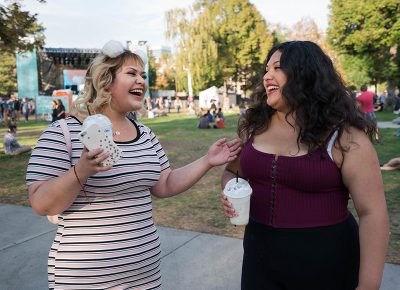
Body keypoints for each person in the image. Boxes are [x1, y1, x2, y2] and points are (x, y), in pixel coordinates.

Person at [26, 40, 241, 290]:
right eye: (131, 73)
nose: (141, 80)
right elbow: (41, 203)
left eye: (143, 75)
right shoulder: (63, 131)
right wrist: (81, 171)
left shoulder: (145, 134)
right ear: (106, 80)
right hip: (83, 279)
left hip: (145, 277)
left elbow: (165, 183)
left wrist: (207, 161)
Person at [220, 41, 389, 290]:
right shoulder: (253, 128)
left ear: (306, 74)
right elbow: (232, 173)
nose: (267, 75)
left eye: (277, 68)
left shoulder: (345, 137)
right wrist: (230, 192)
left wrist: (368, 285)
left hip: (328, 267)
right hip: (259, 261)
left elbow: (373, 213)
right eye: (266, 69)